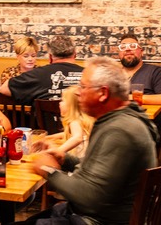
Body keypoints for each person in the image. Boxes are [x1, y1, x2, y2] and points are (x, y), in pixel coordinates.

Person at [24, 57, 158, 224]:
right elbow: (100, 170)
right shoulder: (118, 120)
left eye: (83, 86)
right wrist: (65, 159)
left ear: (103, 93)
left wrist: (47, 170)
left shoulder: (120, 131)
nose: (78, 92)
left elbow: (88, 196)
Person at [0, 36, 83, 105]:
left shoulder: (37, 74)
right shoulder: (88, 74)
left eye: (33, 56)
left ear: (50, 57)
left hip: (46, 124)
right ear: (75, 54)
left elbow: (4, 89)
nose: (30, 59)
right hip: (85, 124)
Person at [46, 86, 93, 158]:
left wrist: (58, 151)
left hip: (78, 161)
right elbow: (70, 134)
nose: (59, 103)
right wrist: (49, 137)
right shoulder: (83, 119)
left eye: (62, 100)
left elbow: (77, 138)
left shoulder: (75, 120)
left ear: (71, 105)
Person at [116, 33, 161, 105]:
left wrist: (129, 97)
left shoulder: (156, 72)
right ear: (119, 53)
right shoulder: (112, 74)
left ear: (141, 52)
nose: (127, 49)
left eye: (133, 46)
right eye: (123, 47)